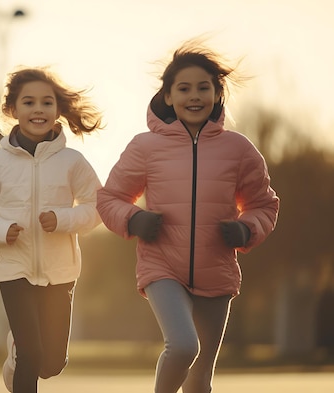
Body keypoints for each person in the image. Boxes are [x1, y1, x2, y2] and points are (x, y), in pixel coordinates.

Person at [96, 41, 279, 393]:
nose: (194, 96)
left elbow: (264, 204)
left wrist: (246, 228)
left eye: (203, 87)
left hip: (217, 270)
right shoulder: (145, 146)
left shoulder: (238, 149)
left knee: (199, 381)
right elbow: (111, 198)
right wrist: (133, 219)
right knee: (182, 346)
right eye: (183, 88)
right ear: (167, 96)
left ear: (216, 93)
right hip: (162, 266)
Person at [0, 67, 103, 393]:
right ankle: (20, 352)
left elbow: (98, 208)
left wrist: (63, 219)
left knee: (51, 363)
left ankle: (15, 353)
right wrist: (1, 229)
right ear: (13, 110)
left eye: (47, 102)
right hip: (13, 269)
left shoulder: (72, 161)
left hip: (61, 271)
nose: (38, 109)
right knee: (31, 353)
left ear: (57, 110)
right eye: (29, 102)